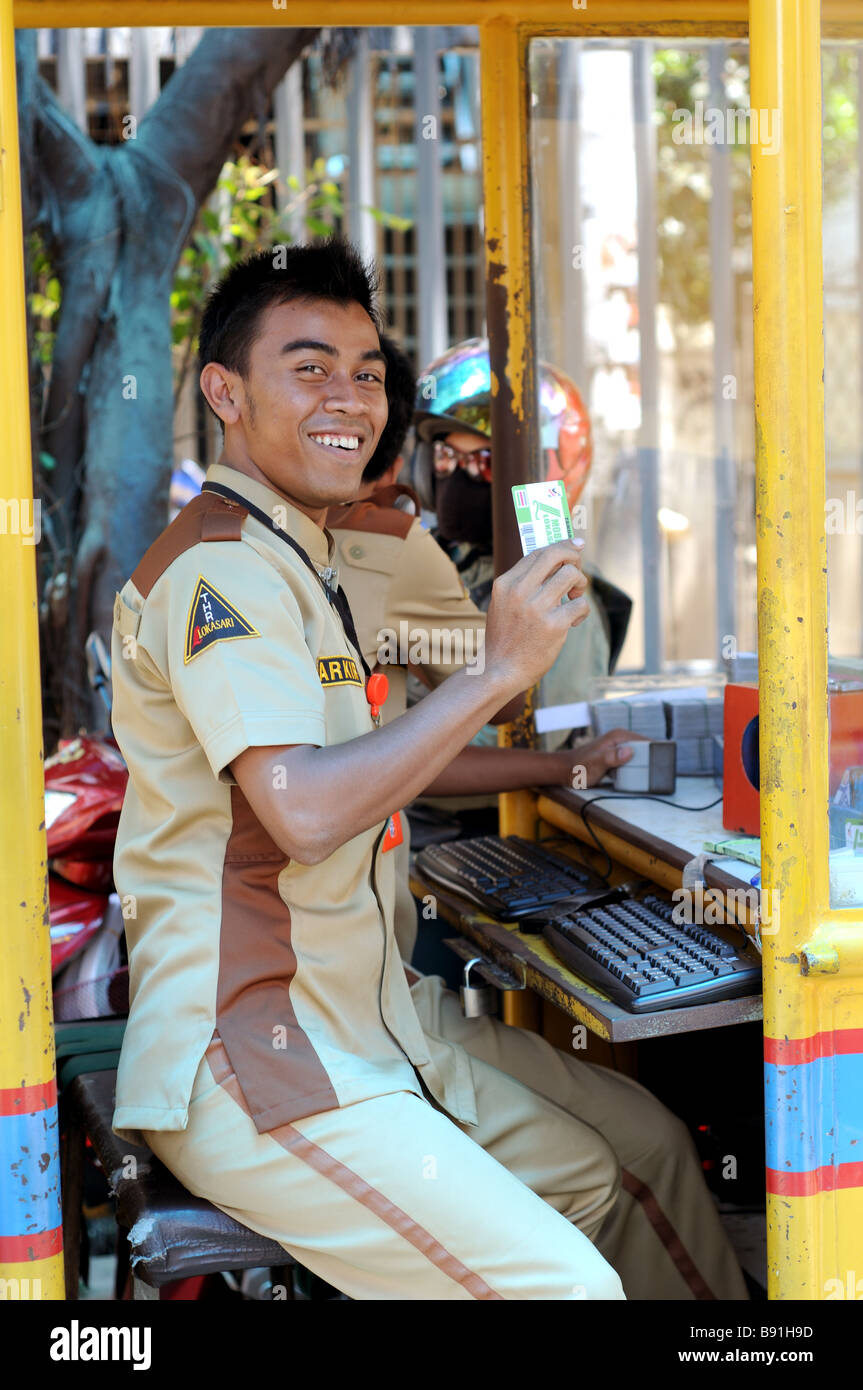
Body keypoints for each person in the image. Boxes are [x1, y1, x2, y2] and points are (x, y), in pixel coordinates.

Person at [109, 238, 625, 1300]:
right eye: (307, 367)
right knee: (568, 1291)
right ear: (225, 392)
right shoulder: (224, 569)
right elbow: (300, 811)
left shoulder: (300, 554)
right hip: (262, 1058)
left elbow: (376, 763)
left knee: (608, 1173)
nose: (348, 398)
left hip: (357, 1024)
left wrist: (559, 759)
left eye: (366, 374)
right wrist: (491, 673)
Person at [328, 336, 750, 1302]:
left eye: (487, 461)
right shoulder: (368, 559)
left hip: (391, 967)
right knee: (624, 1161)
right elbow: (437, 721)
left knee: (645, 1127)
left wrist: (563, 755)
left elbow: (539, 700)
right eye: (446, 454)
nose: (453, 475)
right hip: (364, 992)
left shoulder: (477, 569)